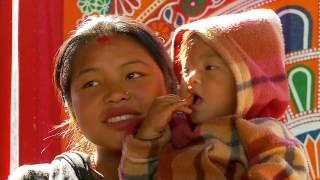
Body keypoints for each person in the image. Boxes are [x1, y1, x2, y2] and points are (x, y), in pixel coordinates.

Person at [120, 9, 309, 179]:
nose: (190, 79)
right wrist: (147, 135)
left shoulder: (265, 131)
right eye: (186, 71)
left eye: (209, 67)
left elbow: (284, 174)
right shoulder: (175, 133)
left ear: (248, 79)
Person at [9, 15, 186, 179]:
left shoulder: (203, 170)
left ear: (171, 84)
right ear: (70, 108)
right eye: (91, 83)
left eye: (133, 75)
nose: (116, 94)